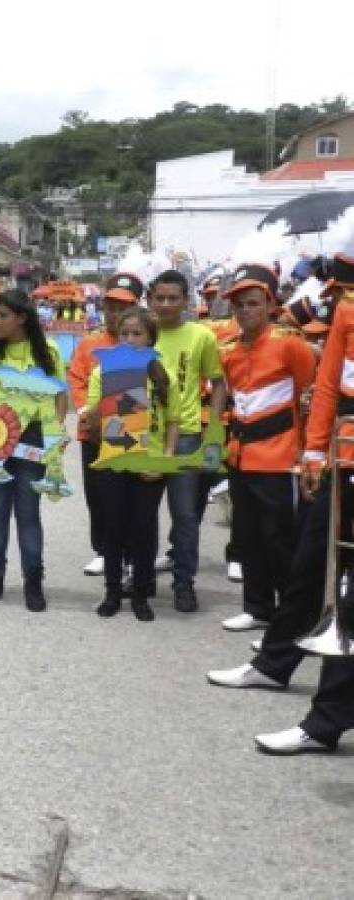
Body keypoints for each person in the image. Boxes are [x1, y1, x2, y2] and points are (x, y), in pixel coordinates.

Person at [240, 250, 354, 755]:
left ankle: (322, 713)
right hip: (344, 462)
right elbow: (329, 385)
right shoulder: (348, 312)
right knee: (315, 571)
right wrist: (313, 455)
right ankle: (299, 691)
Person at [214, 265, 315, 634]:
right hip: (241, 456)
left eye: (253, 303)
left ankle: (292, 618)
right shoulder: (228, 351)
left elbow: (309, 399)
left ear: (270, 305)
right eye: (239, 305)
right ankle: (257, 607)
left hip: (281, 458)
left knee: (281, 540)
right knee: (248, 536)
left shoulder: (290, 345)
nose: (245, 311)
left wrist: (307, 453)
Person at [0, 289, 67, 612]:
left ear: (22, 318)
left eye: (2, 316)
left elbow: (59, 398)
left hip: (34, 441)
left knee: (28, 513)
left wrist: (55, 439)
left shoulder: (49, 352)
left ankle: (33, 581)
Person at [85, 307, 180, 621]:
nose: (129, 339)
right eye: (124, 334)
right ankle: (112, 591)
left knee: (143, 529)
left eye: (137, 334)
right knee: (113, 527)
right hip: (115, 462)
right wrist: (102, 403)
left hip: (151, 465)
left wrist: (164, 461)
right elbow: (95, 425)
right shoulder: (102, 372)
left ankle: (141, 592)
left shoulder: (162, 375)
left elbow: (172, 423)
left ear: (150, 338)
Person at [148, 269, 227, 613]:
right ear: (150, 299)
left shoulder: (201, 336)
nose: (165, 305)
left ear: (185, 301)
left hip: (189, 437)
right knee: (143, 512)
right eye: (159, 298)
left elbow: (218, 382)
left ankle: (184, 583)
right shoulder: (140, 333)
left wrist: (214, 428)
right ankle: (141, 577)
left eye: (173, 298)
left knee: (185, 515)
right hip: (146, 438)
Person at [68, 272, 140, 577]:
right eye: (110, 307)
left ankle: (130, 552)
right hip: (93, 431)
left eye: (123, 307)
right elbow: (77, 379)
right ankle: (102, 549)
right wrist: (88, 413)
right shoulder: (90, 343)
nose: (115, 314)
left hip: (132, 429)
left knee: (130, 497)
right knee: (96, 494)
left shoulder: (141, 342)